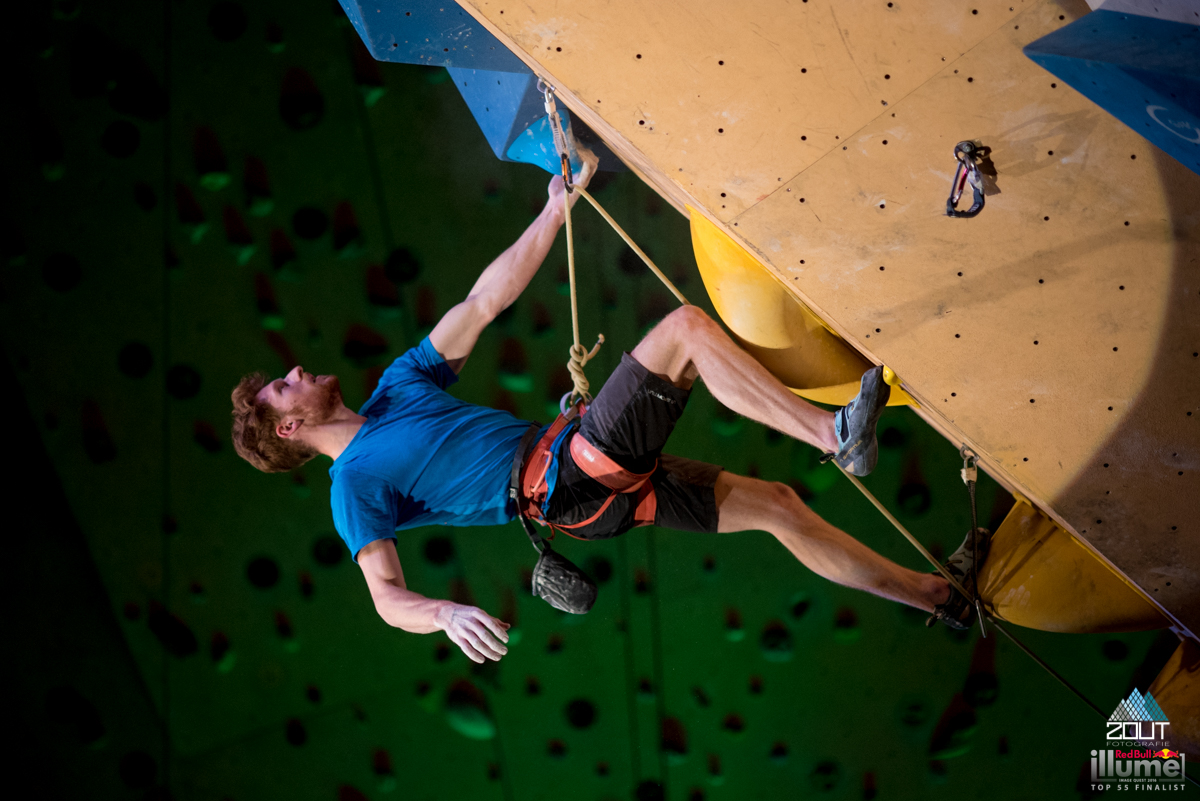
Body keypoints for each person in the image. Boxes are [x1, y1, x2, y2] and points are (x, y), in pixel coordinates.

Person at [230, 159, 988, 665]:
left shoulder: (399, 386)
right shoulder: (352, 485)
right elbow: (387, 599)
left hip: (582, 480)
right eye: (281, 390)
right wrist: (444, 616)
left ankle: (938, 598)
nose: (295, 372)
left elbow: (484, 300)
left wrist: (555, 208)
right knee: (685, 329)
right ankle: (834, 434)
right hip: (569, 480)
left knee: (780, 507)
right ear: (291, 429)